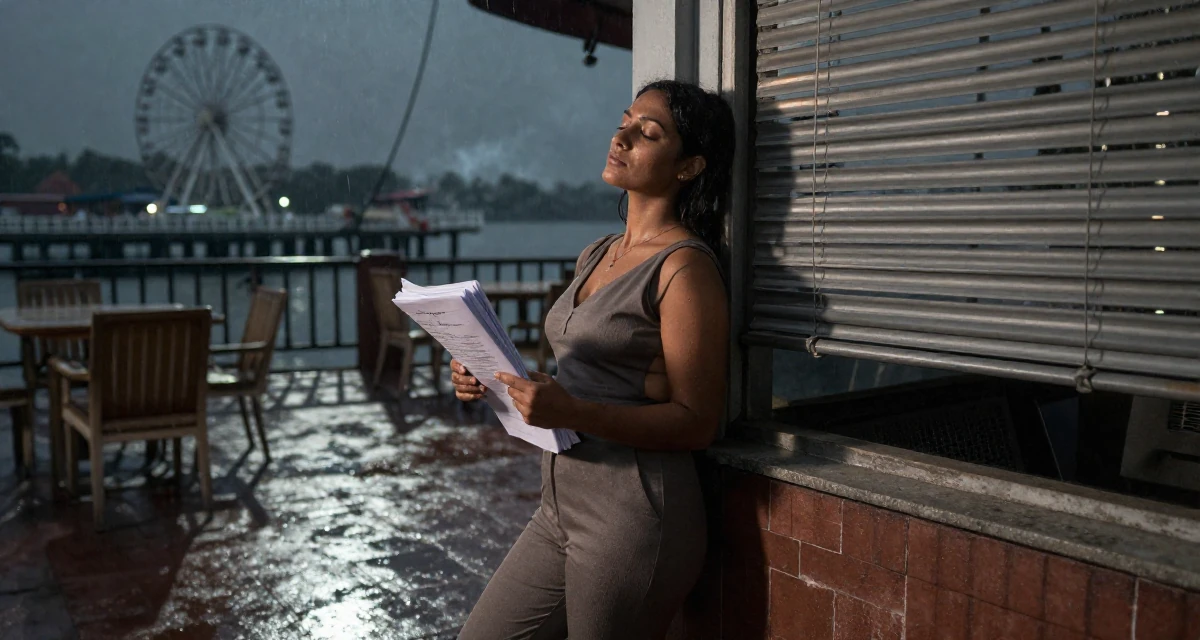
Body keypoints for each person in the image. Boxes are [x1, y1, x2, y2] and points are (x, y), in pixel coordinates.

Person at [453, 79, 735, 640]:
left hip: (631, 518)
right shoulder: (598, 252)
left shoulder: (685, 269)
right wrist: (489, 374)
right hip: (560, 508)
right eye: (624, 121)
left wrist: (572, 411)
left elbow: (698, 421)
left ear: (689, 166)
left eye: (647, 132)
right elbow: (583, 380)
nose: (622, 136)